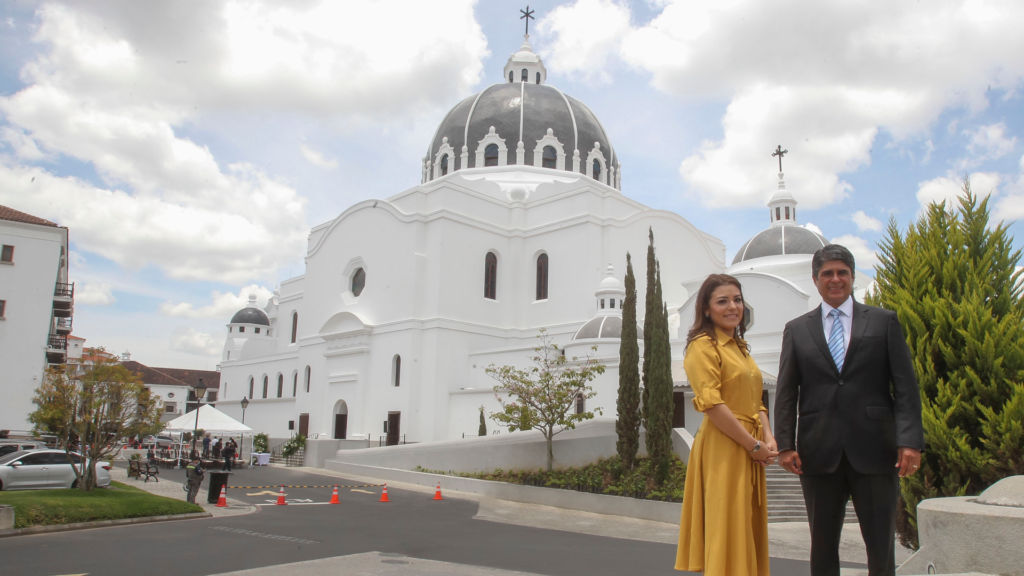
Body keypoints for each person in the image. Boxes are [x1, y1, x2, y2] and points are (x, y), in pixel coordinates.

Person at [774, 244, 924, 576]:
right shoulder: (797, 330)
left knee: (881, 544)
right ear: (815, 280)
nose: (835, 279)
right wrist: (785, 444)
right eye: (827, 273)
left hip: (876, 450)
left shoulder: (884, 322)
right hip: (818, 453)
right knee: (822, 545)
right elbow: (785, 392)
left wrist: (910, 441)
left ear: (853, 277)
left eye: (842, 272)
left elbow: (905, 387)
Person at [676, 274, 778, 575]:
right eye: (722, 301)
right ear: (706, 309)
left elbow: (755, 402)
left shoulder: (740, 348)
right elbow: (712, 405)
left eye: (737, 299)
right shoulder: (702, 346)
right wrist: (754, 445)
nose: (733, 306)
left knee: (745, 521)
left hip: (751, 445)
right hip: (725, 444)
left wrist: (768, 438)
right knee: (728, 522)